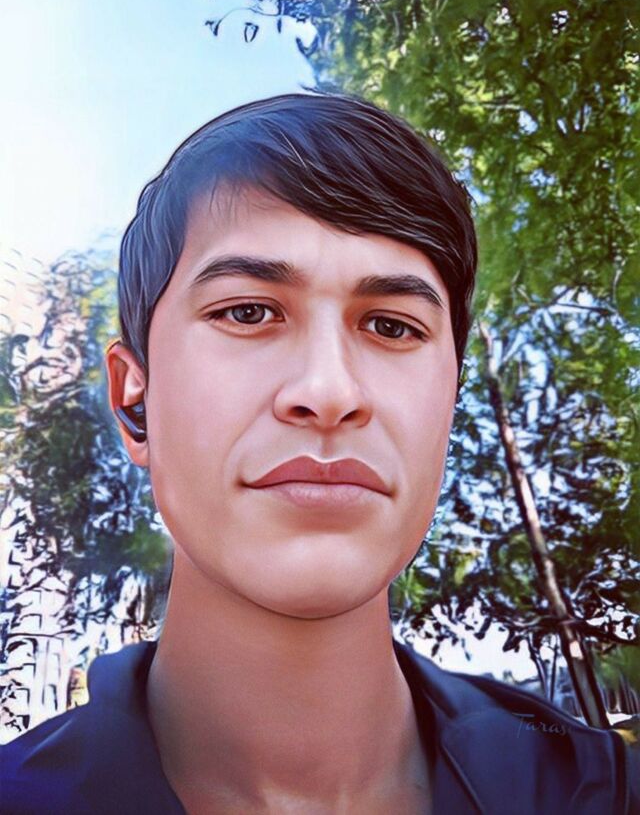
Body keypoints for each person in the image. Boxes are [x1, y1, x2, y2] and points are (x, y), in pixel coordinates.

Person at [2, 92, 636, 815]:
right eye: (247, 312)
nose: (329, 391)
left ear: (449, 403)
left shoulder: (602, 794)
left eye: (392, 326)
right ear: (133, 400)